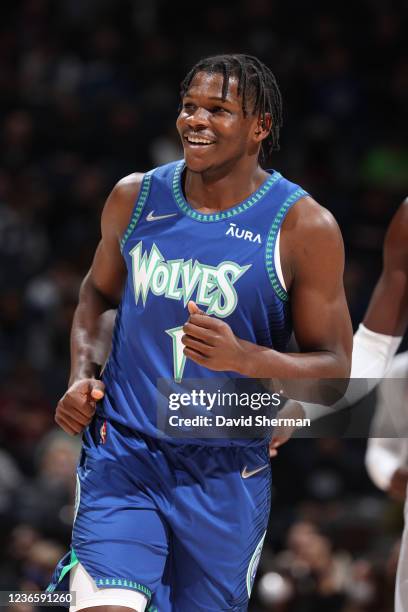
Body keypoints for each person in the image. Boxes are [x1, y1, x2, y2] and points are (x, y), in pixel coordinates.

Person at [47, 54, 352, 612]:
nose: (195, 120)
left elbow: (337, 373)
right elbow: (97, 295)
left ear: (260, 127)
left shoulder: (304, 226)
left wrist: (251, 358)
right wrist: (81, 375)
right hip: (125, 454)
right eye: (189, 106)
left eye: (218, 109)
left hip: (224, 471)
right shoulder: (135, 197)